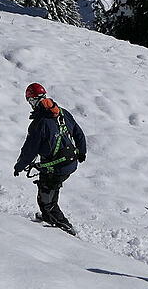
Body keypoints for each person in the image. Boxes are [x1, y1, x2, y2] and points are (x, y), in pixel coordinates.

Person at [13, 82, 87, 235]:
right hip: (69, 161)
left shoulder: (39, 124)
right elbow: (78, 133)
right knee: (50, 189)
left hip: (55, 167)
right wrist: (81, 151)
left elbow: (29, 150)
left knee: (46, 200)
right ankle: (48, 216)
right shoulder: (62, 112)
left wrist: (19, 166)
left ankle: (65, 227)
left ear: (32, 101)